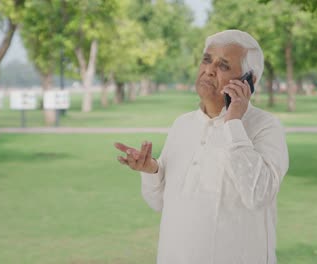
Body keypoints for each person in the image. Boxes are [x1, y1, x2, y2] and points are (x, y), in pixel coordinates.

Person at [114, 29, 289, 264]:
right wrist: (152, 171)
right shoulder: (183, 125)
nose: (209, 70)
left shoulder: (265, 127)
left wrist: (234, 122)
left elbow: (258, 195)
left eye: (223, 66)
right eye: (207, 60)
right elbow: (157, 202)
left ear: (249, 80)